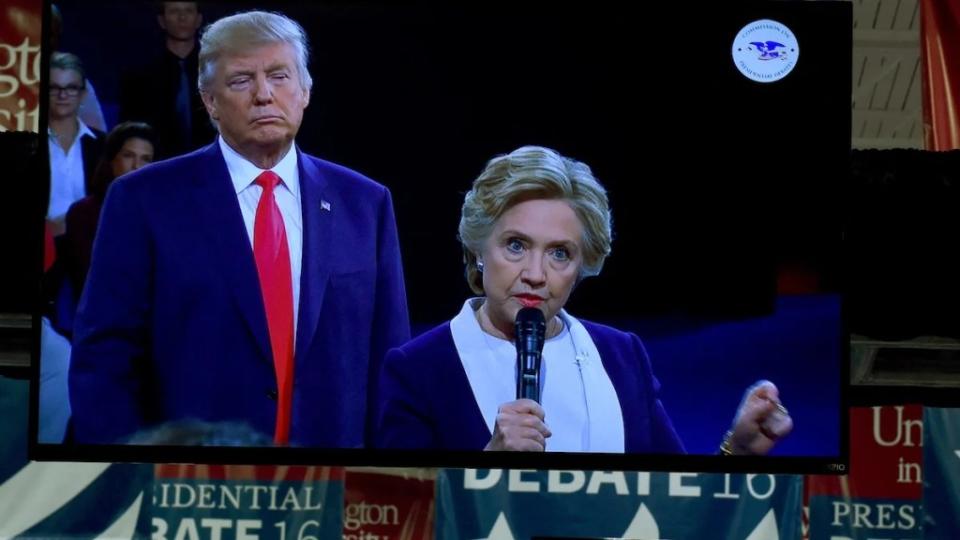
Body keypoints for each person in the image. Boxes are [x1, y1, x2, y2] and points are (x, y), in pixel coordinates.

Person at [69, 11, 410, 447]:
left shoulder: (365, 203)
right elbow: (103, 359)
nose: (264, 95)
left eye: (279, 76)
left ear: (305, 91)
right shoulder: (143, 201)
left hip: (330, 484)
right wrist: (130, 478)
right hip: (190, 486)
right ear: (209, 101)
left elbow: (390, 362)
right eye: (241, 81)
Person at [373, 145, 792, 453]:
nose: (536, 275)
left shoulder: (620, 353)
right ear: (479, 249)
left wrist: (738, 450)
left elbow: (672, 502)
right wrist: (487, 467)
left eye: (560, 253)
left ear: (583, 265)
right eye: (516, 245)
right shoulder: (419, 369)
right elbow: (404, 517)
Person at [118, 1, 216, 159]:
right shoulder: (140, 75)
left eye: (188, 11)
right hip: (157, 164)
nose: (182, 17)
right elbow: (129, 130)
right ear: (162, 20)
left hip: (210, 161)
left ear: (198, 19)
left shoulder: (216, 70)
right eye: (174, 11)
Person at [47, 52, 104, 237]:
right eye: (54, 88)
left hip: (87, 246)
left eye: (71, 88)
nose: (62, 95)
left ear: (82, 94)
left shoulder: (102, 145)